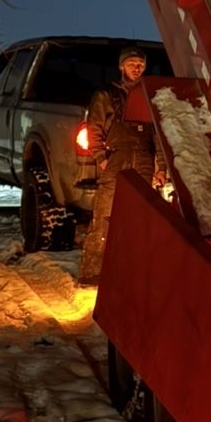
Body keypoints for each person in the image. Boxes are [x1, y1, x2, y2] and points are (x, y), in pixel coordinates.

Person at [77, 46, 163, 284]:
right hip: (117, 158)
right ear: (121, 66)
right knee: (105, 214)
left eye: (141, 65)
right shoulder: (106, 95)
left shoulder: (150, 95)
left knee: (140, 217)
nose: (137, 68)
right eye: (132, 63)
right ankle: (92, 272)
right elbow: (94, 128)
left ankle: (132, 272)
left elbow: (158, 134)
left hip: (144, 159)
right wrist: (101, 158)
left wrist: (161, 167)